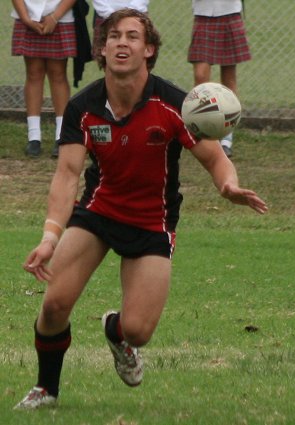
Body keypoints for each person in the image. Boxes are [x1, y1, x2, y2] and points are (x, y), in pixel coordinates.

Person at [14, 8, 267, 410]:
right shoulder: (84, 106)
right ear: (101, 47)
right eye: (114, 36)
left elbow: (216, 159)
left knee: (138, 330)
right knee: (54, 304)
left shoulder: (174, 105)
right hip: (98, 212)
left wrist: (228, 185)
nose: (122, 43)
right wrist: (50, 236)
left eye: (133, 36)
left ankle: (116, 331)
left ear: (148, 49)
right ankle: (46, 389)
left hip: (152, 221)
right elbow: (66, 176)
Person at [11, 0, 77, 158]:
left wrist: (55, 17)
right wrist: (26, 18)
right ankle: (34, 137)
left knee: (58, 74)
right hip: (27, 15)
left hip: (60, 16)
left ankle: (61, 136)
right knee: (34, 73)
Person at [188, 0, 251, 158]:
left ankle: (226, 137)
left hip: (230, 12)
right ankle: (202, 132)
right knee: (201, 77)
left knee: (229, 79)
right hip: (203, 14)